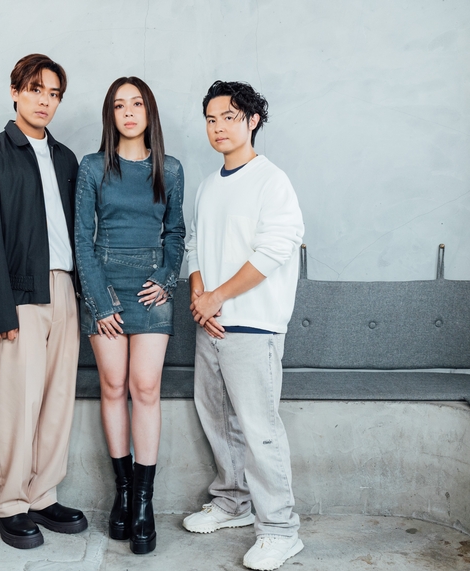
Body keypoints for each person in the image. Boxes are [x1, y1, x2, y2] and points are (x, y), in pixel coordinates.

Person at [0, 54, 87, 550]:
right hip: (18, 296)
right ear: (15, 91)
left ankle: (42, 494)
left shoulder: (66, 159)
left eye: (54, 94)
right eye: (36, 90)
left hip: (65, 292)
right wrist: (0, 311)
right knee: (18, 403)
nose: (45, 101)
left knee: (57, 400)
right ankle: (9, 504)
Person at [183, 80, 305, 570]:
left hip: (253, 325)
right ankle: (233, 502)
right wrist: (200, 296)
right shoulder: (208, 186)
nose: (219, 127)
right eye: (211, 119)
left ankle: (280, 530)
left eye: (230, 117)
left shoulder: (272, 181)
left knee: (259, 430)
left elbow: (276, 249)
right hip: (210, 324)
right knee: (218, 421)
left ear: (253, 121)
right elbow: (194, 244)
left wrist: (217, 298)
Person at [74, 76, 185, 555]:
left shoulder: (170, 168)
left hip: (151, 288)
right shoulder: (92, 167)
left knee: (145, 387)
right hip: (105, 281)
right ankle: (122, 492)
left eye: (136, 103)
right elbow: (82, 238)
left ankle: (143, 501)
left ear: (148, 111)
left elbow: (176, 233)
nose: (129, 112)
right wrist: (99, 301)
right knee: (114, 385)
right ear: (111, 115)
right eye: (119, 106)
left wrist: (166, 278)